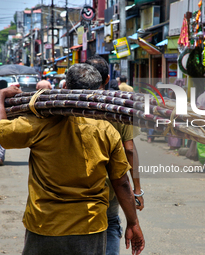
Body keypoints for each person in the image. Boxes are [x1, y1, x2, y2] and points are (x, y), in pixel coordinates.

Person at [0, 63, 145, 255]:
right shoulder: (106, 130)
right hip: (90, 226)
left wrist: (1, 96)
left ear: (64, 88)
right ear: (98, 93)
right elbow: (121, 183)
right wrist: (133, 222)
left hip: (45, 225)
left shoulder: (40, 122)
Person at [86, 55, 144, 255]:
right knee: (110, 223)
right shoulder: (117, 106)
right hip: (110, 185)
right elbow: (129, 149)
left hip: (77, 185)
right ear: (107, 78)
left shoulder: (64, 106)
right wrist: (137, 190)